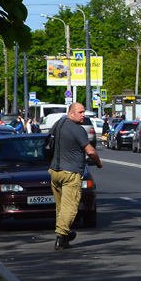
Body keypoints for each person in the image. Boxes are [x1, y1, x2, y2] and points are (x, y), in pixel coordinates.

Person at [49, 102, 103, 250]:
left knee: (61, 207)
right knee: (70, 207)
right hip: (70, 173)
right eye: (80, 112)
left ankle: (65, 236)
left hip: (55, 172)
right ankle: (61, 238)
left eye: (84, 112)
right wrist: (98, 163)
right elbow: (90, 151)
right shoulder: (77, 129)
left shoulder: (58, 124)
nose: (83, 115)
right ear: (71, 113)